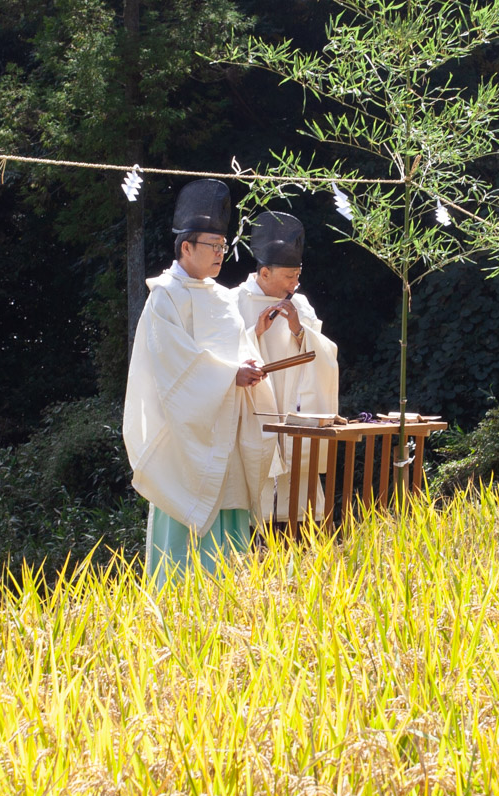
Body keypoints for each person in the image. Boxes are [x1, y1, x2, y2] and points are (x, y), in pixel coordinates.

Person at [123, 179, 278, 586]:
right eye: (211, 245)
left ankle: (230, 609)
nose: (219, 254)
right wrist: (229, 375)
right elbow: (173, 368)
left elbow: (244, 346)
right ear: (185, 247)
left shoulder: (225, 298)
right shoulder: (165, 299)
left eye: (223, 246)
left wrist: (250, 366)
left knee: (229, 518)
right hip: (187, 441)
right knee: (183, 534)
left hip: (228, 431)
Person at [234, 211, 340, 526]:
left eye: (297, 276)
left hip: (293, 409)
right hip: (256, 409)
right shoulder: (233, 302)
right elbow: (221, 356)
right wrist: (255, 334)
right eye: (289, 277)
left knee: (302, 503)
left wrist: (299, 331)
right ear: (264, 272)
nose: (295, 284)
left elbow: (325, 355)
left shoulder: (301, 306)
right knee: (256, 491)